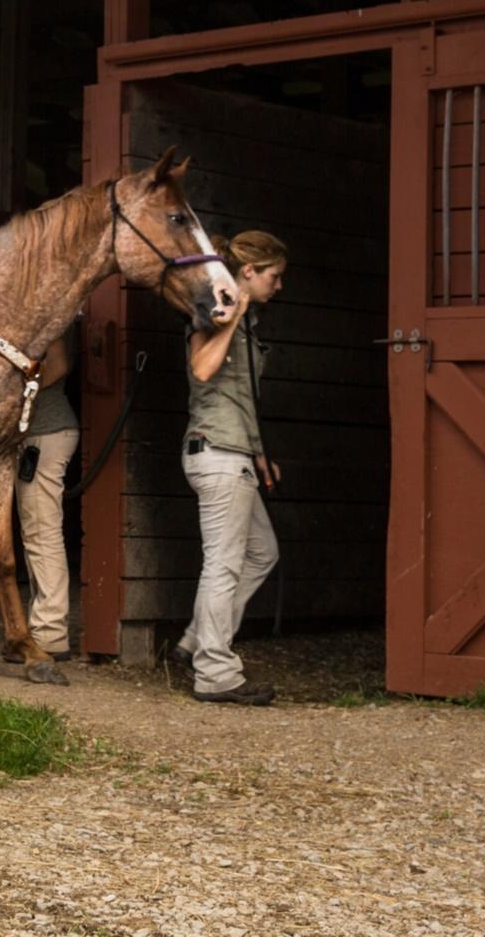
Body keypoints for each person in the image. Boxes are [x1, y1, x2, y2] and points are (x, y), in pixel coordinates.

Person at [173, 230, 289, 706]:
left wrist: (260, 452)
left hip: (236, 452)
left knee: (262, 553)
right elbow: (201, 370)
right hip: (218, 455)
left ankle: (196, 639)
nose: (279, 285)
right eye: (274, 276)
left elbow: (239, 396)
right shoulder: (218, 313)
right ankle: (216, 671)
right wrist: (234, 312)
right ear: (248, 272)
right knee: (222, 566)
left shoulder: (247, 324)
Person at [8, 332, 79, 665]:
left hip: (45, 431)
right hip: (44, 432)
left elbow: (60, 364)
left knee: (42, 532)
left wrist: (16, 398)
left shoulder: (53, 313)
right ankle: (45, 628)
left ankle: (50, 633)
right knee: (38, 531)